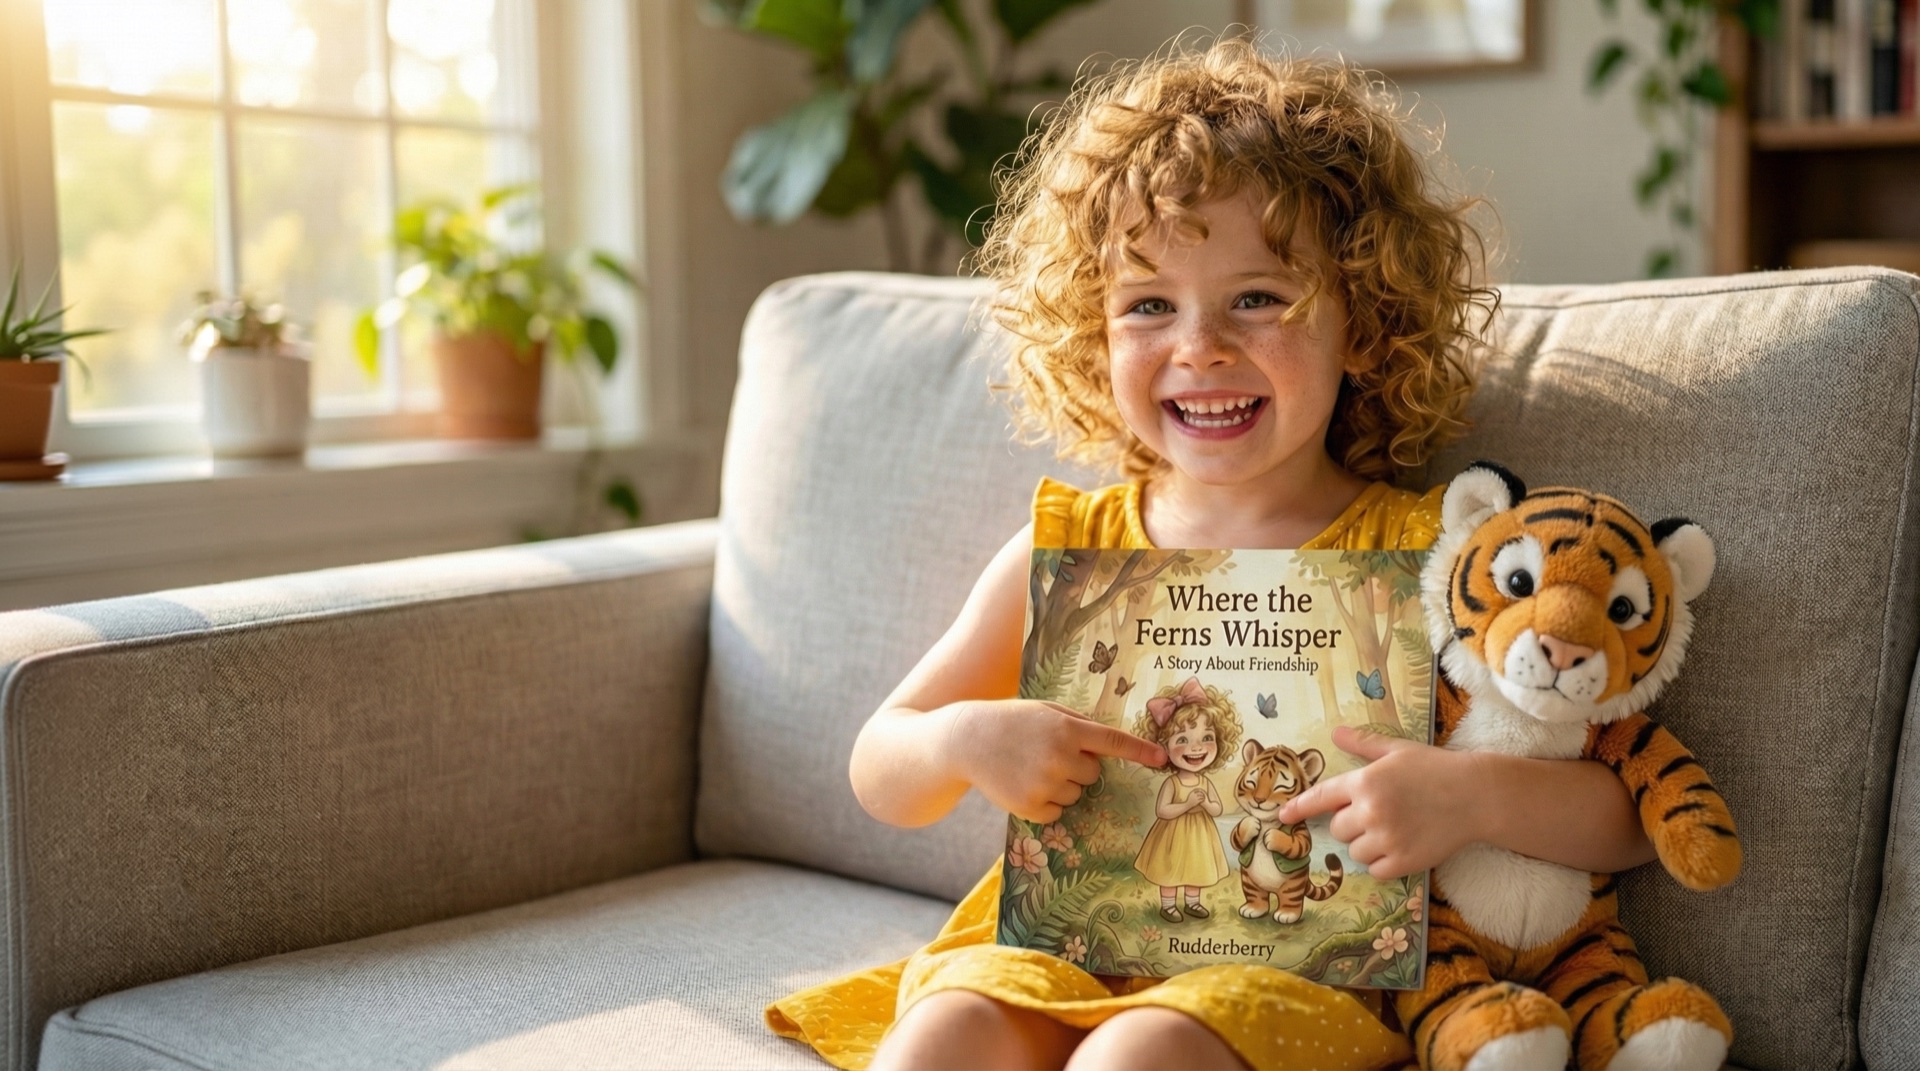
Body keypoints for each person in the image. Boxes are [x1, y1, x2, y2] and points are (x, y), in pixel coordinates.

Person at [765, 37, 1655, 1071]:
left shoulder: (1431, 562)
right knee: (941, 1038)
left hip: (1292, 970)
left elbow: (1630, 822)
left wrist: (1464, 797)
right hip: (1061, 951)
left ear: (1363, 325)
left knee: (1137, 1057)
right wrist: (965, 742)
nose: (1201, 347)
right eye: (1149, 305)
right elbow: (883, 764)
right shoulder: (1075, 548)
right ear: (1095, 337)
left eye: (1258, 299)